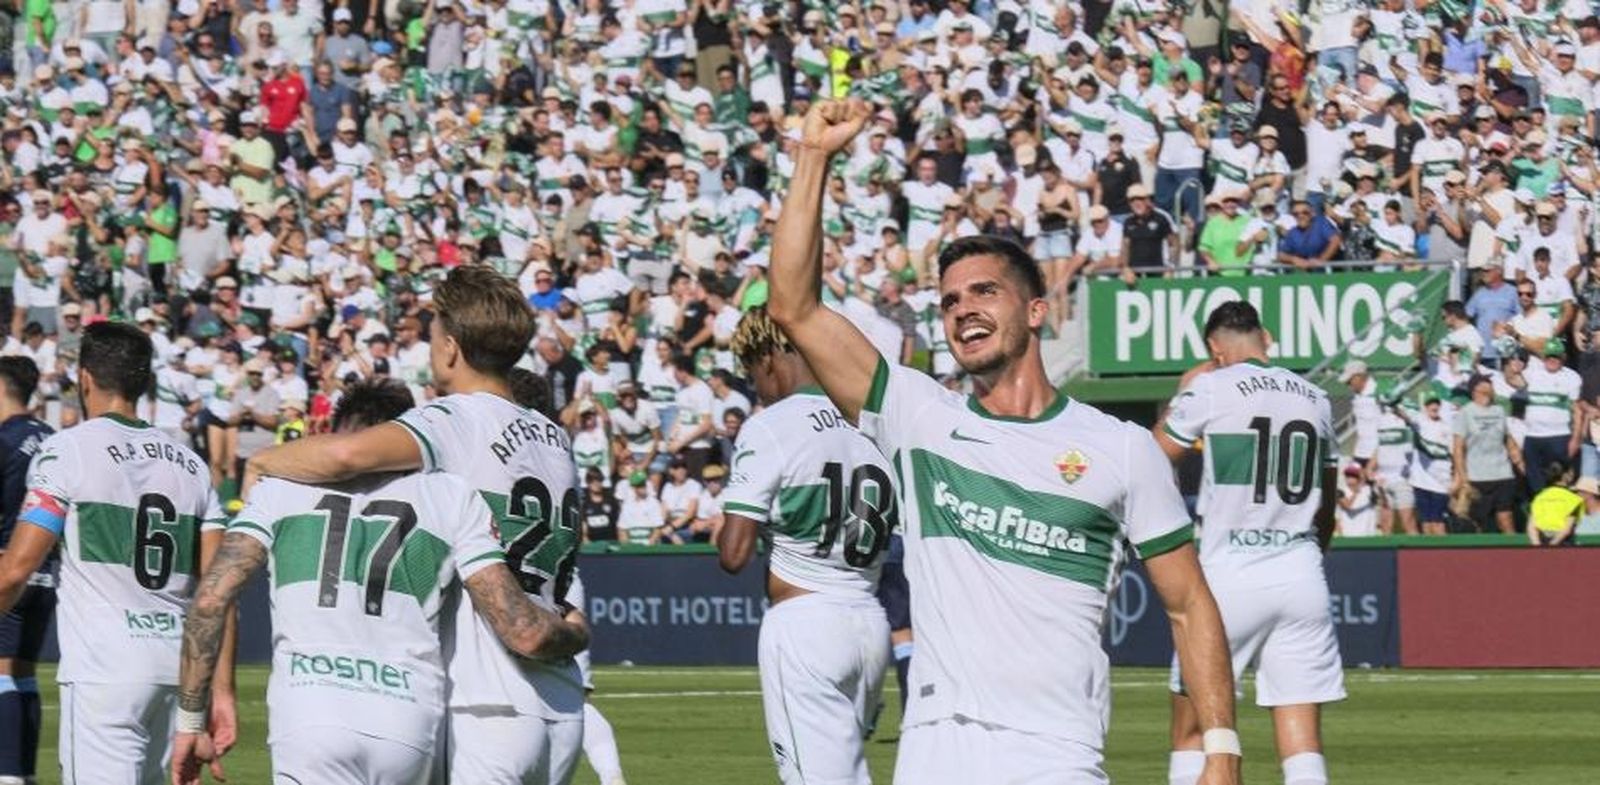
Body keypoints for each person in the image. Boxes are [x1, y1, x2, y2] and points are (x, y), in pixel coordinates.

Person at [768, 100, 1239, 785]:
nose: (964, 311)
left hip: (1060, 753)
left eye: (984, 292)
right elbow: (794, 307)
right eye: (951, 302)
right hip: (936, 748)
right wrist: (812, 158)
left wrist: (1221, 745)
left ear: (1037, 310)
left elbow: (1190, 603)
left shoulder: (1122, 448)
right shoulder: (919, 415)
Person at [246, 266, 590, 784]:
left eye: (432, 336)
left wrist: (263, 462)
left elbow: (345, 455)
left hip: (488, 697)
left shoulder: (453, 418)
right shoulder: (552, 436)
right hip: (558, 701)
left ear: (451, 348)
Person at [170, 380, 588, 785]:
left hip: (312, 709)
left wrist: (191, 719)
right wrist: (575, 630)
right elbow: (509, 612)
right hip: (407, 718)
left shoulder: (279, 488)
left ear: (333, 430)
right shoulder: (448, 493)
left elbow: (209, 601)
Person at [0, 322, 234, 784]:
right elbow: (219, 592)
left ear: (84, 378)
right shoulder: (191, 463)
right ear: (145, 382)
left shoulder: (66, 451)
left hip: (104, 671)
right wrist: (218, 691)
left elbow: (15, 571)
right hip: (174, 669)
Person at [1155, 301, 1343, 785]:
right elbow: (1328, 503)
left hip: (1228, 577)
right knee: (1303, 744)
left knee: (1195, 731)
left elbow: (1152, 459)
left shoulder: (1211, 387)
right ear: (1267, 337)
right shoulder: (1316, 397)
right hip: (1302, 573)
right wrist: (1307, 554)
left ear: (1215, 349)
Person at [716, 307, 897, 785]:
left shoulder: (772, 424)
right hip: (869, 619)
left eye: (753, 371)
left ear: (771, 357)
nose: (756, 385)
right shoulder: (874, 420)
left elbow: (733, 554)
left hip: (805, 623)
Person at [0, 357, 52, 783]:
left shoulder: (3, 438)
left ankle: (8, 775)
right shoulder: (50, 437)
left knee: (0, 673)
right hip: (46, 571)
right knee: (24, 671)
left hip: (8, 566)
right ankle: (24, 773)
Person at [1452, 374, 1525, 534]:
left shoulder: (1498, 411)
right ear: (1476, 389)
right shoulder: (1466, 413)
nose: (1490, 387)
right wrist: (1463, 477)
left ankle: (1515, 553)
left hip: (1502, 474)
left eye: (1490, 384)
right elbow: (1458, 448)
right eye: (1486, 383)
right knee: (1478, 522)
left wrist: (1519, 463)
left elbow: (1508, 440)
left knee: (1505, 517)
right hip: (1478, 477)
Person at [1527, 463, 1582, 547]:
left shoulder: (1539, 497)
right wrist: (1552, 546)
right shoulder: (1574, 499)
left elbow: (1531, 527)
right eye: (1571, 472)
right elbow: (1566, 530)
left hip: (1541, 541)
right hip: (1563, 543)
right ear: (1565, 476)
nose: (1573, 475)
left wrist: (1537, 547)